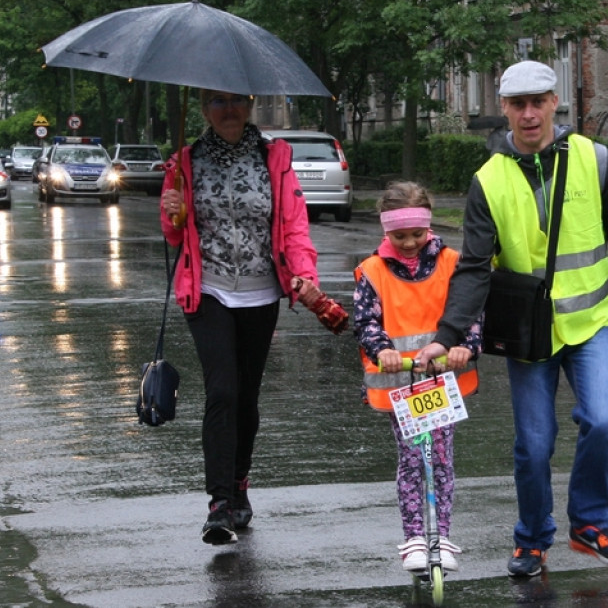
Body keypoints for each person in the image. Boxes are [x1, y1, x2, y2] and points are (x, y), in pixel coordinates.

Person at [416, 60, 608, 577]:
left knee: (603, 422)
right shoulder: (488, 180)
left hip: (589, 320)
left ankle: (590, 523)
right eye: (518, 105)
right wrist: (447, 335)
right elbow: (473, 268)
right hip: (528, 333)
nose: (529, 114)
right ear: (505, 109)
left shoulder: (594, 160)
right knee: (534, 446)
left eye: (538, 102)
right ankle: (531, 538)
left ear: (556, 103)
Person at [160, 89, 345, 545]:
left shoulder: (274, 157)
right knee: (221, 391)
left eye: (236, 101)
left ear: (249, 105)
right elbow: (174, 234)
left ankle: (240, 481)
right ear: (204, 109)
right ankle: (219, 504)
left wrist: (304, 275)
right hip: (209, 292)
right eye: (217, 102)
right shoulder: (184, 160)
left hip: (262, 293)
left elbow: (294, 224)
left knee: (246, 396)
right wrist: (172, 214)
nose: (228, 110)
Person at [352, 181, 483, 573]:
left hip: (443, 378)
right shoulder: (372, 270)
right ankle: (413, 537)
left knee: (439, 456)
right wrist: (383, 351)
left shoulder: (452, 262)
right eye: (399, 235)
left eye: (416, 234)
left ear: (428, 228)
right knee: (413, 457)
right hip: (402, 383)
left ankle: (440, 534)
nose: (409, 243)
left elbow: (470, 311)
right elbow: (366, 322)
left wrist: (464, 346)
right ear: (385, 231)